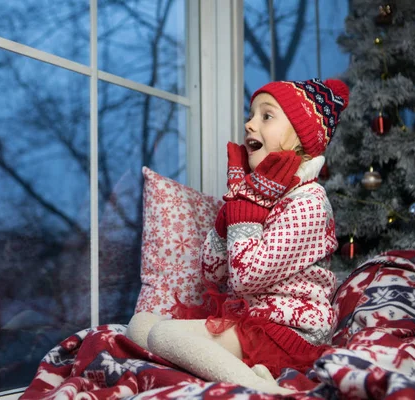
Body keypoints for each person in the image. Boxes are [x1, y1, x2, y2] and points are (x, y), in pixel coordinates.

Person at [126, 78, 349, 394]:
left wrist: (245, 202)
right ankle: (251, 376)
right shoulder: (261, 194)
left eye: (266, 116)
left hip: (290, 334)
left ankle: (272, 392)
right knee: (142, 325)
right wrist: (232, 207)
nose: (249, 123)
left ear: (301, 139)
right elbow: (213, 276)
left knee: (164, 337)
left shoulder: (309, 202)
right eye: (252, 114)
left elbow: (246, 277)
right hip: (250, 322)